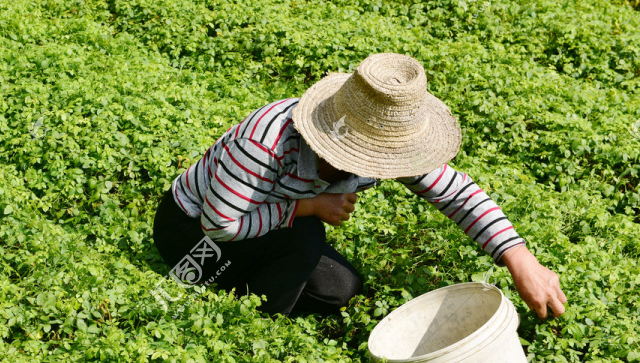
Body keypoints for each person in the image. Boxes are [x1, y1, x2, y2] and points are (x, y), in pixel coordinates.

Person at [152, 52, 567, 320]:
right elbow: (219, 224)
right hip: (194, 236)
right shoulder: (265, 143)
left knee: (341, 291)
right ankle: (247, 327)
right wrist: (307, 209)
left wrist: (520, 259)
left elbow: (456, 192)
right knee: (306, 239)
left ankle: (250, 286)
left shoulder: (389, 147)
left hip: (268, 229)